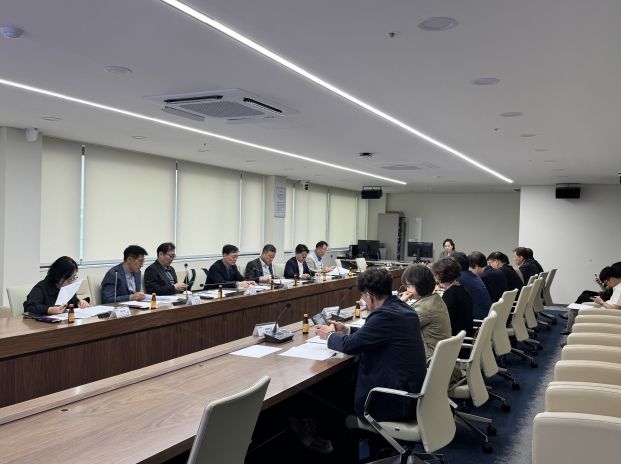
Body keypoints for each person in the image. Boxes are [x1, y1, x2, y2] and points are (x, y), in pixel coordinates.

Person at [316, 267, 427, 423]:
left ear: (369, 295)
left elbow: (350, 346)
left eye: (363, 296)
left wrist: (329, 335)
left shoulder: (384, 315)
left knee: (328, 395)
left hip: (391, 400)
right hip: (410, 392)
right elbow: (375, 334)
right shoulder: (403, 308)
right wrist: (347, 329)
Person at [400, 264, 452, 359]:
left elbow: (397, 325)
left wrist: (400, 302)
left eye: (408, 286)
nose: (406, 290)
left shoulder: (425, 308)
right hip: (440, 357)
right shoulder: (435, 299)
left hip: (429, 359)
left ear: (419, 284)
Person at [563, 263, 621, 335]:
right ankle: (571, 328)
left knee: (577, 307)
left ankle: (571, 331)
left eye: (606, 282)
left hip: (605, 313)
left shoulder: (619, 289)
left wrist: (601, 302)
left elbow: (614, 309)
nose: (606, 284)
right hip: (603, 307)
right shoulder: (616, 286)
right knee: (576, 306)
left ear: (612, 278)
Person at [24, 256, 89, 315]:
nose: (71, 281)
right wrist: (50, 310)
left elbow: (73, 302)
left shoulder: (67, 287)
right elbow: (30, 307)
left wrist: (80, 303)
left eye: (74, 277)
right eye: (69, 279)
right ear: (58, 276)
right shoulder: (41, 287)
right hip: (45, 323)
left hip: (65, 322)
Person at [431, 258, 474, 337]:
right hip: (463, 336)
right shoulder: (461, 289)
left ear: (441, 275)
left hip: (455, 339)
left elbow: (444, 322)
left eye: (435, 274)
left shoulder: (450, 295)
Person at [453, 252, 492, 320]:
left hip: (477, 319)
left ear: (456, 265)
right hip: (486, 317)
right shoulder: (473, 275)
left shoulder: (460, 277)